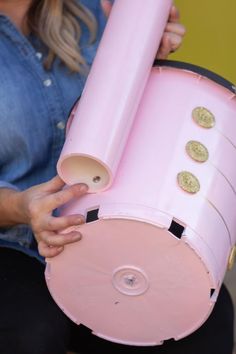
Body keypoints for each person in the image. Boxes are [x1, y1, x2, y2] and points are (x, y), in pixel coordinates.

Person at [0, 1, 233, 354]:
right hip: (10, 240)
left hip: (101, 225)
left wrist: (145, 58)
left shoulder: (94, 12)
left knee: (201, 322)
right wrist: (21, 206)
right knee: (29, 331)